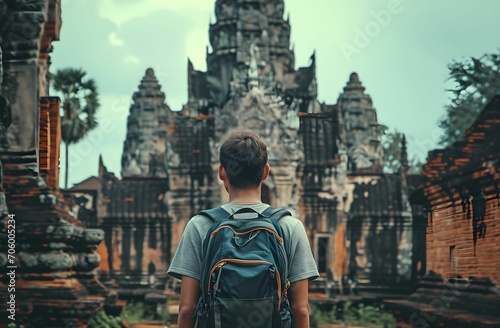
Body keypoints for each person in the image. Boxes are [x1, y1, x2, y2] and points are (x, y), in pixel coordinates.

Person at [167, 129, 319, 328]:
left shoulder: (200, 225)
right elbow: (301, 309)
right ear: (266, 172)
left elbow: (187, 309)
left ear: (222, 172)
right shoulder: (290, 226)